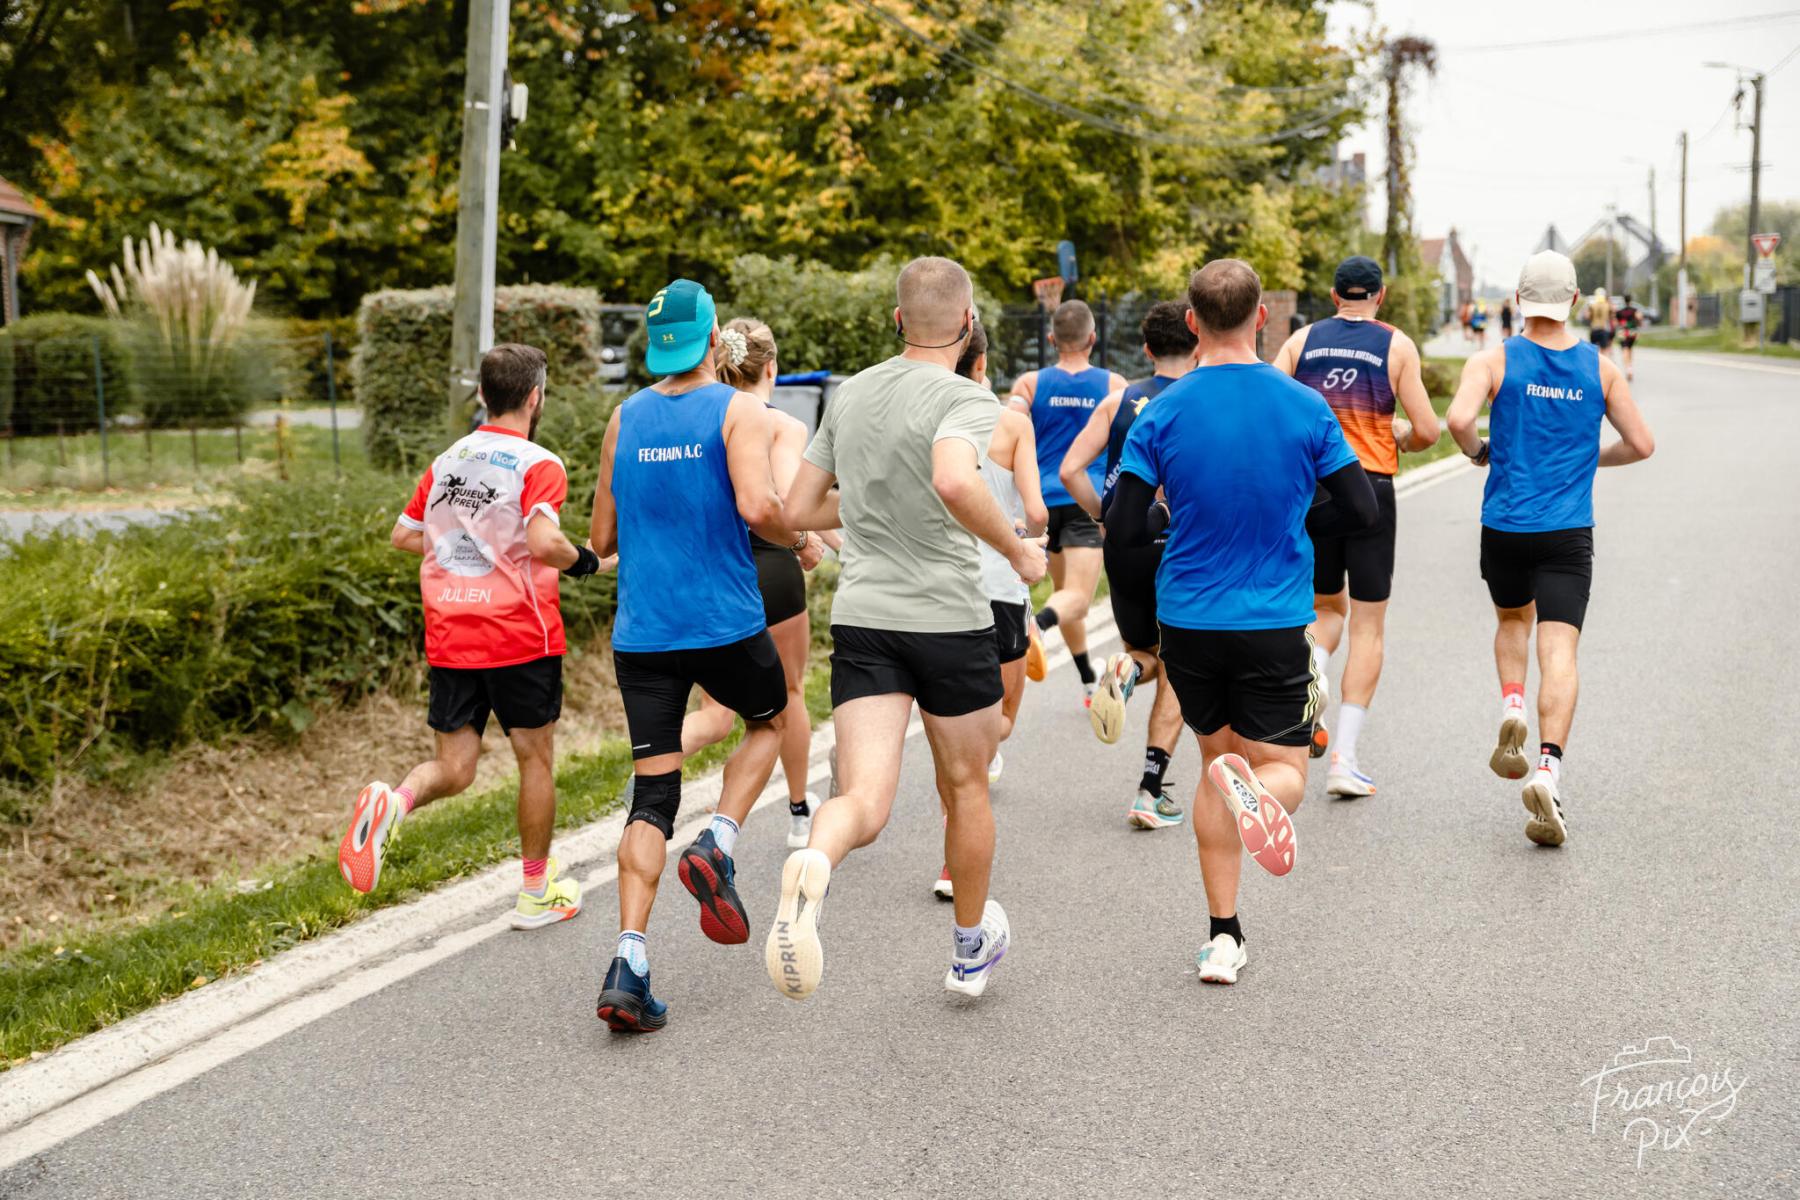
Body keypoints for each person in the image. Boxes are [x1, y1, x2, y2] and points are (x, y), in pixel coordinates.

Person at [771, 256, 1048, 1002]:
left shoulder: (853, 393)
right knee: (966, 786)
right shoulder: (967, 399)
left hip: (865, 619)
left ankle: (815, 863)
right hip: (950, 622)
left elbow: (797, 509)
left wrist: (870, 504)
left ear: (898, 320)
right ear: (967, 323)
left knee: (864, 799)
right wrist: (1018, 550)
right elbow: (954, 479)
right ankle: (968, 953)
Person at [1108, 260, 1377, 986]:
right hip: (1273, 618)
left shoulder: (1160, 412)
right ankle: (1259, 796)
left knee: (1216, 765)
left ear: (1192, 322)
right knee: (1282, 770)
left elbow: (1123, 528)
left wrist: (1168, 523)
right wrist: (1294, 519)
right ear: (1262, 318)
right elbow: (1361, 510)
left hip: (1188, 621)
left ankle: (1222, 937)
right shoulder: (1305, 406)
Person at [587, 279, 803, 1032]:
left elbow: (602, 539)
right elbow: (759, 507)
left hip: (644, 634)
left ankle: (629, 964)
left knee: (652, 798)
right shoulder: (737, 410)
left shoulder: (624, 416)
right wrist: (802, 537)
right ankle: (719, 841)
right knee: (771, 721)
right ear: (714, 339)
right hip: (724, 625)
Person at [340, 344, 602, 931]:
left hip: (452, 633)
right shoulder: (540, 463)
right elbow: (544, 543)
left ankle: (395, 801)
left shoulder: (448, 460)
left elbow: (404, 535)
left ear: (483, 394)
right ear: (535, 397)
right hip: (518, 637)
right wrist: (585, 561)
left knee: (456, 768)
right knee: (535, 759)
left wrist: (465, 546)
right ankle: (536, 891)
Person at [1446, 251, 1654, 848]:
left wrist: (1479, 452)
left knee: (1513, 620)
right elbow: (1641, 444)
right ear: (1574, 300)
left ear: (1518, 299)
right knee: (1559, 649)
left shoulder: (1493, 360)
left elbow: (1458, 418)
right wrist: (1590, 459)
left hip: (1505, 526)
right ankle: (1546, 770)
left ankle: (1512, 706)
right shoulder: (1601, 369)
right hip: (1567, 532)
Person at [1271, 255, 1441, 798]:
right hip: (1370, 491)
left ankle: (1313, 673)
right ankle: (1344, 759)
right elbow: (1428, 430)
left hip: (1314, 492)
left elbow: (1270, 407)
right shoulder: (1397, 345)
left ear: (1334, 295)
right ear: (1380, 296)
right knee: (1368, 625)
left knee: (1326, 608)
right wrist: (1400, 437)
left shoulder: (1301, 342)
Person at [676, 317, 837, 851]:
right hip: (774, 568)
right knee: (789, 694)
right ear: (773, 368)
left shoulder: (706, 421)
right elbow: (792, 500)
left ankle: (654, 763)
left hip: (715, 571)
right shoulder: (781, 425)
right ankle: (799, 813)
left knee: (716, 712)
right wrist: (837, 542)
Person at [1059, 299, 1199, 829]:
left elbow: (1071, 469)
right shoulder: (1199, 396)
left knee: (1145, 650)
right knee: (1179, 666)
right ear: (1198, 342)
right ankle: (1149, 790)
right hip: (1181, 546)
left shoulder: (1119, 400)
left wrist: (1105, 516)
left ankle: (1127, 669)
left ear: (1146, 349)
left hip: (1126, 544)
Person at [932, 318, 1048, 899]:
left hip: (941, 589)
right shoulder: (1012, 423)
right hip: (1001, 588)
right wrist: (1025, 529)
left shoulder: (929, 418)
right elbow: (1038, 510)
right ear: (982, 362)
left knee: (947, 731)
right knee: (999, 720)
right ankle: (981, 764)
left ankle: (951, 857)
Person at [1008, 300, 1129, 704]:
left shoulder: (1029, 384)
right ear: (1093, 338)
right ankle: (1036, 626)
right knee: (1077, 598)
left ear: (1050, 339)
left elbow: (1006, 424)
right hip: (1084, 499)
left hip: (1041, 504)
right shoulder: (1114, 386)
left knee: (1066, 597)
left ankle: (1088, 680)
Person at [1613, 293, 1642, 380]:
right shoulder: (1634, 310)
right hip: (1632, 332)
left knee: (1624, 350)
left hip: (1623, 332)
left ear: (1623, 300)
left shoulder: (1619, 312)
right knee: (1630, 349)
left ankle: (1628, 369)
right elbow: (1640, 318)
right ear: (1630, 300)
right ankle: (1630, 367)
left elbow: (1615, 323)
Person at [1582, 287, 1615, 360]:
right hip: (1604, 329)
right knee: (1604, 351)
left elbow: (1587, 316)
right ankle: (1603, 365)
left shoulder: (1592, 305)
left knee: (1594, 350)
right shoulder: (1608, 305)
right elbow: (1613, 315)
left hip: (1594, 329)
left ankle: (1595, 364)